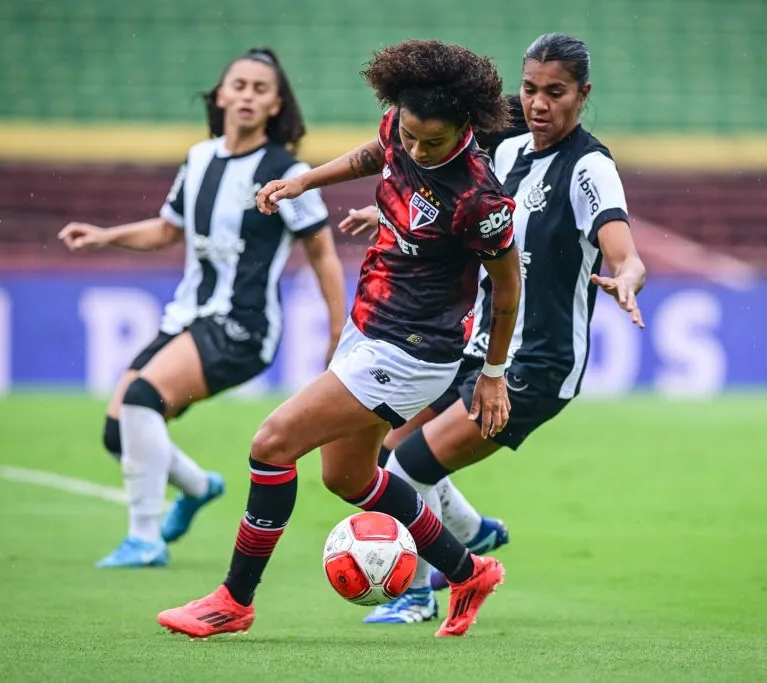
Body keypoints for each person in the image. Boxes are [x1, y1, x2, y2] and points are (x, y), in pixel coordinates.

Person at [155, 39, 523, 639]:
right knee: (348, 479)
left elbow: (507, 291)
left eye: (433, 142)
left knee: (272, 443)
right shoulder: (401, 127)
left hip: (412, 351)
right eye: (409, 134)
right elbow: (374, 153)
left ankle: (234, 600)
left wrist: (493, 373)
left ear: (465, 127)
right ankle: (468, 571)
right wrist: (304, 184)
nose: (415, 148)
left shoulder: (479, 198)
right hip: (370, 324)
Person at [342, 33, 646, 624]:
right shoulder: (505, 148)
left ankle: (418, 593)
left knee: (409, 469)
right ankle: (472, 532)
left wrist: (628, 275)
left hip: (535, 365)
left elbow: (621, 245)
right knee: (387, 453)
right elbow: (458, 205)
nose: (537, 104)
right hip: (474, 347)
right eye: (530, 89)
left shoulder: (589, 167)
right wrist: (385, 210)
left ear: (583, 95)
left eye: (554, 93)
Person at [57, 47, 346, 568]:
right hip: (186, 317)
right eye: (239, 85)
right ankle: (196, 486)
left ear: (277, 105)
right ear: (220, 94)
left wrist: (336, 328)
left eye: (261, 89)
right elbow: (167, 229)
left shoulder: (288, 171)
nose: (247, 96)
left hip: (242, 326)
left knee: (143, 399)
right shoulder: (199, 159)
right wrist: (105, 236)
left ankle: (144, 539)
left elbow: (321, 251)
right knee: (118, 428)